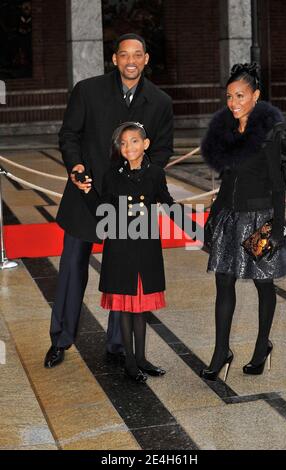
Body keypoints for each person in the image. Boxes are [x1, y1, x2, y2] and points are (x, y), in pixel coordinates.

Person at [44, 33, 173, 368]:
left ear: (146, 59)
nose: (131, 60)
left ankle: (118, 345)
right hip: (85, 193)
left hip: (130, 203)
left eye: (138, 54)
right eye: (124, 54)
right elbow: (69, 134)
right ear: (114, 59)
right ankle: (60, 340)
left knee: (123, 273)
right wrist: (75, 166)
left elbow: (161, 150)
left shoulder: (160, 102)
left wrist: (145, 178)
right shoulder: (88, 90)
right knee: (72, 268)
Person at [200, 63, 286, 381]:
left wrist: (277, 229)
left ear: (255, 96)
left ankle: (261, 347)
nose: (233, 102)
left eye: (240, 95)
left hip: (259, 219)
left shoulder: (270, 133)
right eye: (229, 96)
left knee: (263, 282)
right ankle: (220, 353)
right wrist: (213, 215)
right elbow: (226, 179)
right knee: (223, 283)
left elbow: (278, 184)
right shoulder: (227, 132)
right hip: (229, 216)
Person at [83, 121, 175, 382]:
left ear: (145, 144)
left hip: (146, 247)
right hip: (120, 248)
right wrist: (88, 191)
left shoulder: (155, 173)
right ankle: (130, 362)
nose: (128, 147)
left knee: (140, 307)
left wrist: (193, 225)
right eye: (123, 143)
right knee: (124, 307)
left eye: (134, 141)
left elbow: (167, 201)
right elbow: (103, 212)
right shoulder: (113, 176)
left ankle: (143, 358)